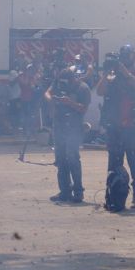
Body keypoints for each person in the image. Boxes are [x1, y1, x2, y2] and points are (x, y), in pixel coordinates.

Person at [96, 44, 135, 209]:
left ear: (133, 56)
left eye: (128, 54)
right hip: (115, 127)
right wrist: (106, 73)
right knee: (113, 163)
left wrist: (127, 74)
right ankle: (112, 196)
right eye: (123, 55)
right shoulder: (113, 75)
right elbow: (100, 91)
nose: (126, 58)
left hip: (133, 127)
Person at [45, 68, 91, 203]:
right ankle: (64, 191)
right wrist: (51, 99)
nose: (63, 85)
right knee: (60, 159)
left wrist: (70, 103)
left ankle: (78, 191)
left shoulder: (83, 88)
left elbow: (83, 109)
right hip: (58, 125)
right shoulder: (59, 82)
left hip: (74, 127)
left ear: (73, 79)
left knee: (72, 158)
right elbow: (47, 92)